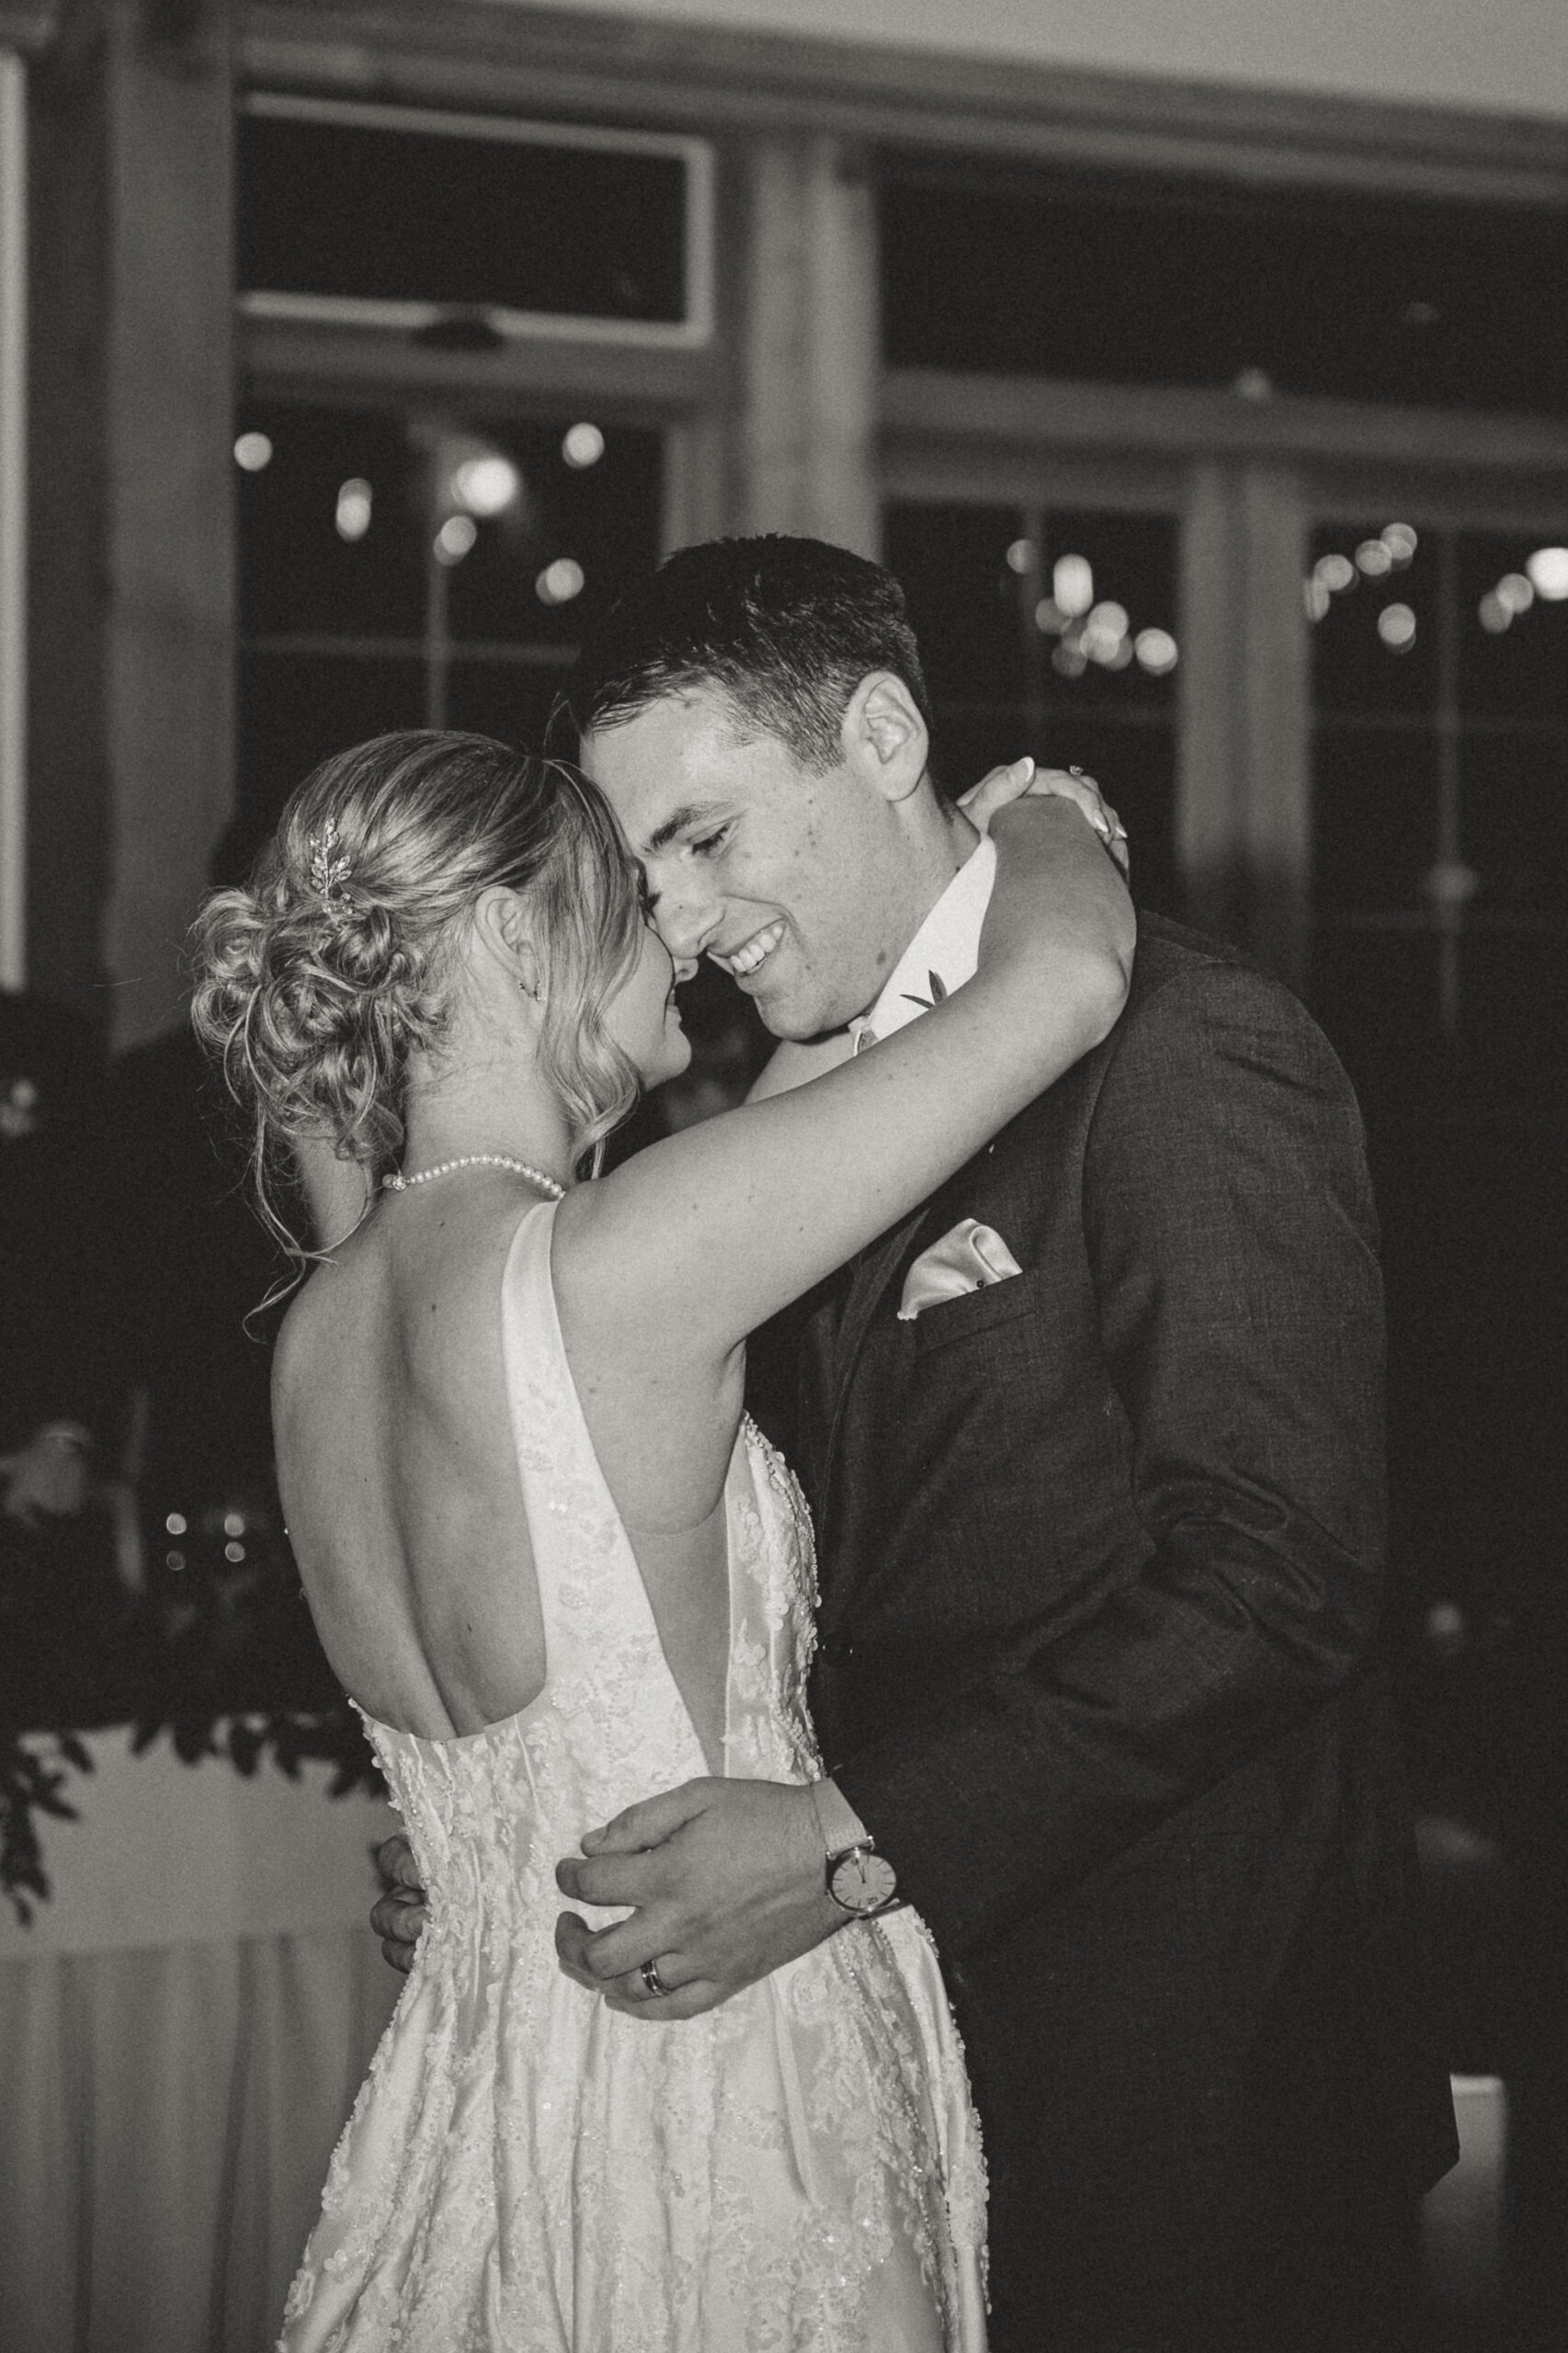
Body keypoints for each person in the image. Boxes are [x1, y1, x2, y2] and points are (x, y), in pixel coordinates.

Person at [373, 536, 1460, 2352]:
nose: (685, 923)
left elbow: (1276, 1571)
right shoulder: (781, 1132)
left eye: (704, 837)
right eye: (641, 876)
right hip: (882, 2062)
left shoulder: (1195, 1047)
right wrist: (532, 1831)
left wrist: (851, 1835)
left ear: (881, 733)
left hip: (1192, 2058)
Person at [191, 726, 1132, 2350]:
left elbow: (807, 1100)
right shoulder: (614, 1271)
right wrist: (1043, 816)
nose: (677, 942)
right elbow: (1063, 989)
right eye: (629, 901)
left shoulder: (325, 1329)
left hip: (474, 2092)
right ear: (504, 933)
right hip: (724, 2081)